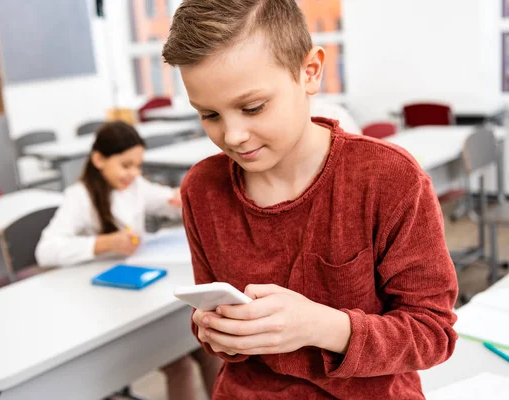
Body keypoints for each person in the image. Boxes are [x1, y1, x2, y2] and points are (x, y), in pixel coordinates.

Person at [161, 1, 458, 399]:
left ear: (310, 72)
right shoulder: (201, 188)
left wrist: (320, 325)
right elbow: (212, 326)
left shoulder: (388, 179)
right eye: (209, 115)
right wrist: (217, 332)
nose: (232, 136)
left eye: (253, 107)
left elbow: (432, 334)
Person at [35, 121, 222, 400]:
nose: (133, 173)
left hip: (142, 289)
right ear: (99, 160)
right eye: (126, 165)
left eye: (138, 166)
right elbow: (45, 250)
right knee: (179, 366)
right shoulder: (80, 197)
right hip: (104, 302)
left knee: (210, 353)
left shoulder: (135, 185)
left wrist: (184, 199)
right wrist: (102, 243)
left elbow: (165, 200)